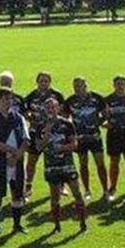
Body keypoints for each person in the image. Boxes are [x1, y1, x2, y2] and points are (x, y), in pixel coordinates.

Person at [37, 97, 87, 232]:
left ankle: (83, 223)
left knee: (77, 193)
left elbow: (75, 144)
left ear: (58, 108)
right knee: (55, 197)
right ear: (44, 109)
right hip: (51, 166)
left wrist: (62, 148)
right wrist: (46, 134)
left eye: (53, 107)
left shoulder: (67, 124)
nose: (51, 110)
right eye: (48, 108)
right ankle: (57, 225)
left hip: (67, 165)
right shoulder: (40, 126)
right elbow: (38, 147)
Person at [0, 88, 30, 234]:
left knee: (17, 192)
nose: (8, 102)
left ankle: (17, 225)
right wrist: (13, 152)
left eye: (10, 99)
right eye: (5, 99)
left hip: (16, 160)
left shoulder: (18, 117)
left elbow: (26, 139)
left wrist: (16, 156)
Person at [64, 77, 110, 202]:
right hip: (80, 138)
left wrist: (98, 123)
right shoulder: (70, 101)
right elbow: (65, 118)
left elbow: (106, 114)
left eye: (80, 85)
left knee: (100, 164)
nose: (77, 88)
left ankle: (105, 190)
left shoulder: (97, 98)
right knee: (83, 164)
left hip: (95, 137)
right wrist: (72, 131)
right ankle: (87, 190)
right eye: (75, 86)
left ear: (85, 85)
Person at [23, 72, 64, 198]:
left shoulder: (57, 95)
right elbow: (25, 112)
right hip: (36, 132)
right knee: (32, 161)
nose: (44, 83)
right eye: (41, 81)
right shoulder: (31, 96)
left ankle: (61, 185)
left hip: (54, 133)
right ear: (37, 82)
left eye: (46, 81)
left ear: (50, 82)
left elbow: (63, 112)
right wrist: (31, 118)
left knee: (57, 160)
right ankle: (28, 185)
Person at [102, 76, 125, 198]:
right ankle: (113, 187)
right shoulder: (107, 100)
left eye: (122, 84)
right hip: (114, 135)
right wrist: (104, 124)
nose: (120, 86)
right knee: (114, 161)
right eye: (118, 84)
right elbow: (101, 117)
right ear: (114, 85)